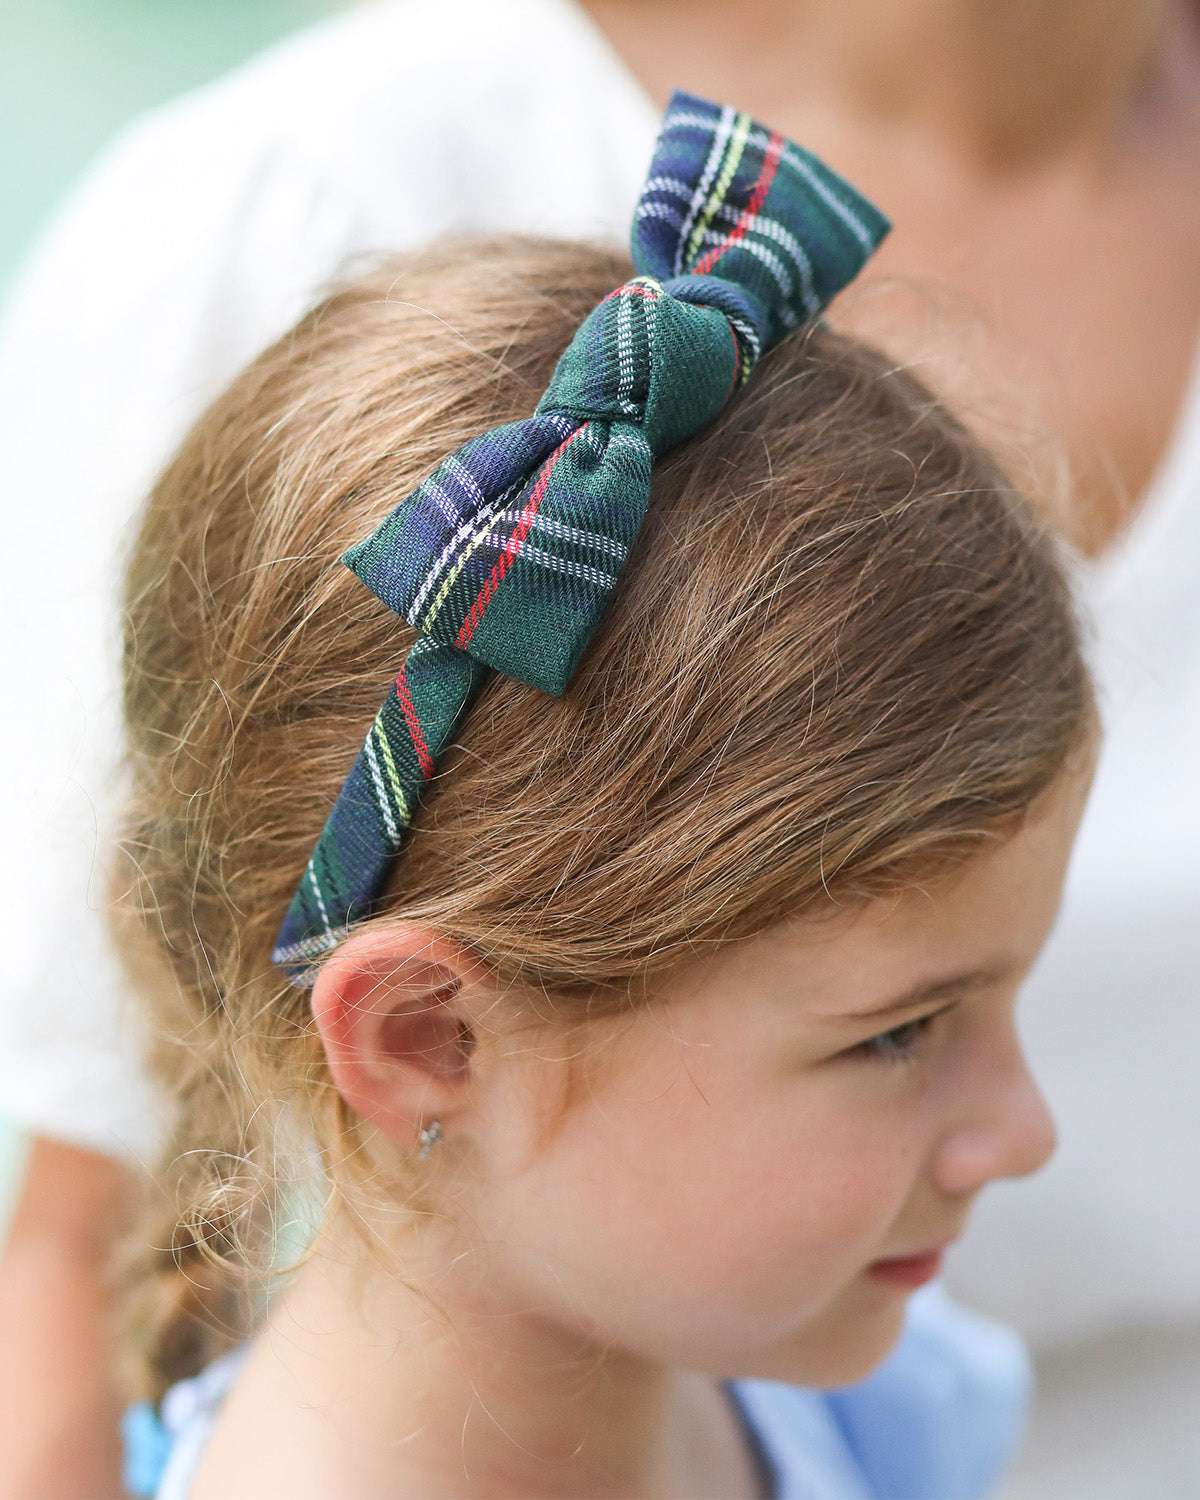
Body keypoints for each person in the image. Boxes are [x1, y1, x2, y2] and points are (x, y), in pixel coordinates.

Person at [2, 0, 1197, 1493]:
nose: (1024, 1134)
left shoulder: (856, 1410)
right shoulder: (281, 183)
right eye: (899, 1030)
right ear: (427, 1036)